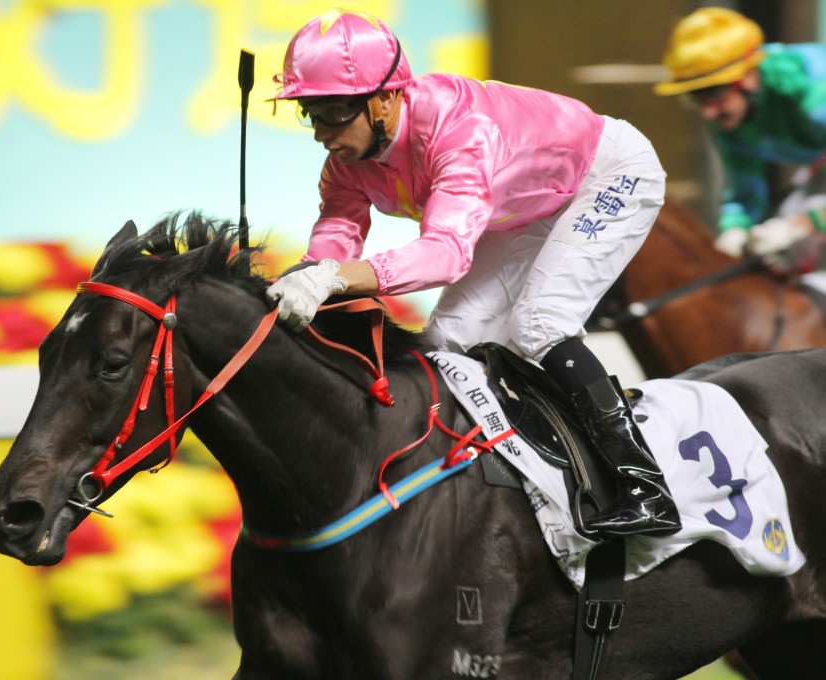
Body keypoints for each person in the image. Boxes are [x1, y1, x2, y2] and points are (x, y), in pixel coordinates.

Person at [265, 9, 680, 538]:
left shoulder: (460, 130)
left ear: (386, 98)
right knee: (445, 339)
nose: (322, 134)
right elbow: (337, 233)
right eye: (311, 115)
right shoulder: (348, 158)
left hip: (607, 175)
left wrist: (335, 279)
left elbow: (446, 255)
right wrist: (305, 278)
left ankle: (646, 486)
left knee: (540, 323)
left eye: (334, 114)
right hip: (522, 206)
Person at [654, 7, 826, 263]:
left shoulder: (813, 93)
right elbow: (744, 192)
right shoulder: (730, 115)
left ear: (748, 76)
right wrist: (732, 232)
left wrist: (804, 224)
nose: (709, 113)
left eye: (713, 92)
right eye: (696, 97)